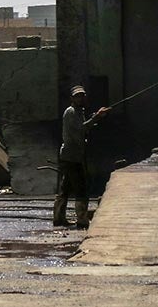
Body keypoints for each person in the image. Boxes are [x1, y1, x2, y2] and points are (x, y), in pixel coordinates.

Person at [53, 85, 111, 229]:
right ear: (72, 98)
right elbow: (81, 129)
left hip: (73, 155)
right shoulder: (71, 112)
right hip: (72, 155)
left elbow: (83, 127)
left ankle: (58, 218)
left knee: (65, 187)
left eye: (82, 96)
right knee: (81, 188)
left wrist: (94, 117)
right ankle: (82, 220)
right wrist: (97, 117)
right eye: (77, 96)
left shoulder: (79, 112)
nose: (80, 98)